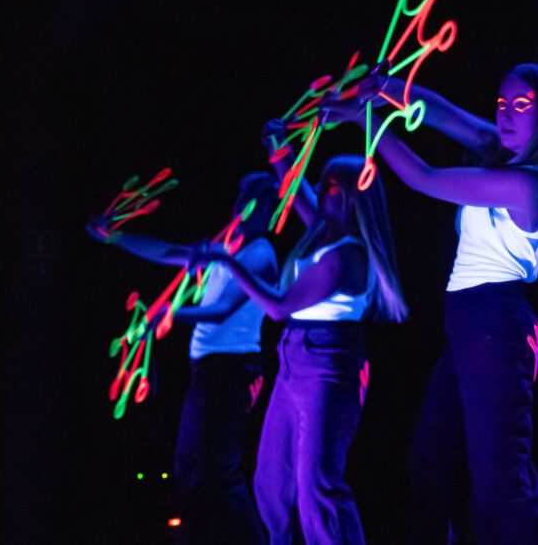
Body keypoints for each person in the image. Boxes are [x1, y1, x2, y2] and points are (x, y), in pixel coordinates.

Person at [330, 63, 538, 544]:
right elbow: (442, 114)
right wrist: (385, 90)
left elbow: (423, 176)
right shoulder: (503, 153)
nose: (506, 114)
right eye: (501, 103)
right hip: (471, 325)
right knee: (431, 460)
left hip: (497, 325)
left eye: (521, 105)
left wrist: (365, 119)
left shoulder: (529, 184)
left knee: (500, 484)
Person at [191, 148, 407, 545]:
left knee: (318, 489)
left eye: (330, 186)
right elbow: (295, 188)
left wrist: (228, 261)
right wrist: (280, 149)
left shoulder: (347, 256)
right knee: (270, 485)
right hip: (295, 359)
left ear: (350, 197)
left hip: (328, 362)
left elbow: (278, 307)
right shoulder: (321, 233)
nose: (319, 190)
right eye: (322, 183)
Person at [88, 172, 280, 545]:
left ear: (270, 212)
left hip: (231, 370)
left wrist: (169, 314)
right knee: (194, 468)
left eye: (255, 204)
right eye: (242, 201)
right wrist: (115, 237)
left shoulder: (259, 255)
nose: (244, 210)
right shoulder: (227, 250)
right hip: (210, 369)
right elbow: (167, 252)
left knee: (214, 472)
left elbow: (222, 310)